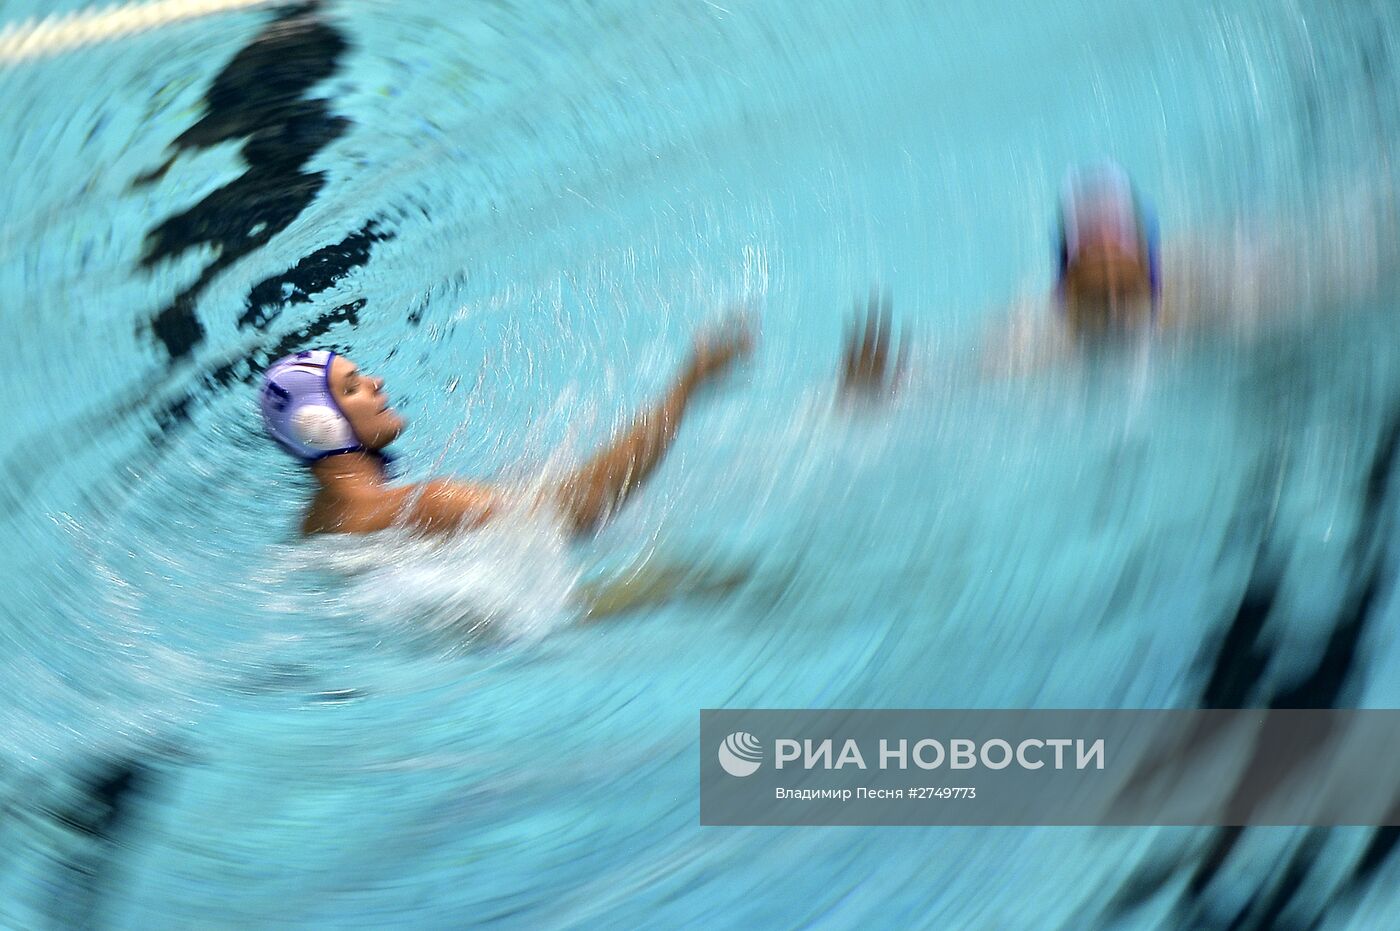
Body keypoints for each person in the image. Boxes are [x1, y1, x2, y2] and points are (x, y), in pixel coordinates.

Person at [259, 321, 752, 537]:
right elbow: (582, 511)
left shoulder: (316, 524)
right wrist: (685, 388)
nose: (376, 382)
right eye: (352, 388)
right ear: (319, 427)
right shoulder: (423, 504)